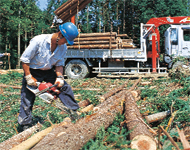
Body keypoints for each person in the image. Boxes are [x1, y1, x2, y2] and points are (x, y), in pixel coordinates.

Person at [18, 22, 79, 131]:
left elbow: (59, 63)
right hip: (33, 70)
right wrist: (28, 77)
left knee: (64, 88)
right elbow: (24, 60)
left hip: (48, 70)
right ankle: (24, 124)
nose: (65, 43)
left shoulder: (62, 47)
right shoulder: (38, 41)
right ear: (60, 34)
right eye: (65, 40)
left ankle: (74, 112)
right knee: (27, 96)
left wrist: (59, 77)